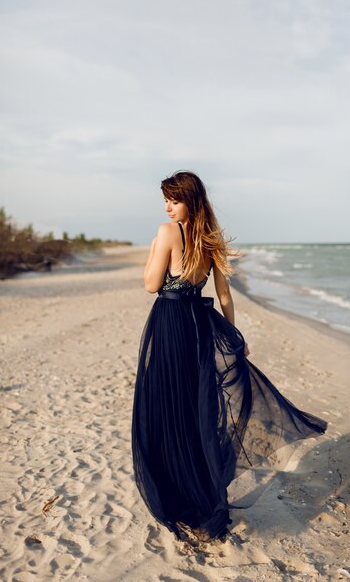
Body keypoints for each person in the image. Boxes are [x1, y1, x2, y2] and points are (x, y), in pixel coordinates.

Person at [131, 170, 328, 546]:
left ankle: (178, 493)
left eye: (174, 200)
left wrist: (153, 252)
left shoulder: (167, 233)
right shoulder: (211, 241)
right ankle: (200, 492)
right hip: (200, 329)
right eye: (165, 201)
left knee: (167, 408)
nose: (168, 207)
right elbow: (224, 298)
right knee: (194, 410)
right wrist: (233, 338)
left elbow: (151, 285)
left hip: (172, 326)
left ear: (191, 199)